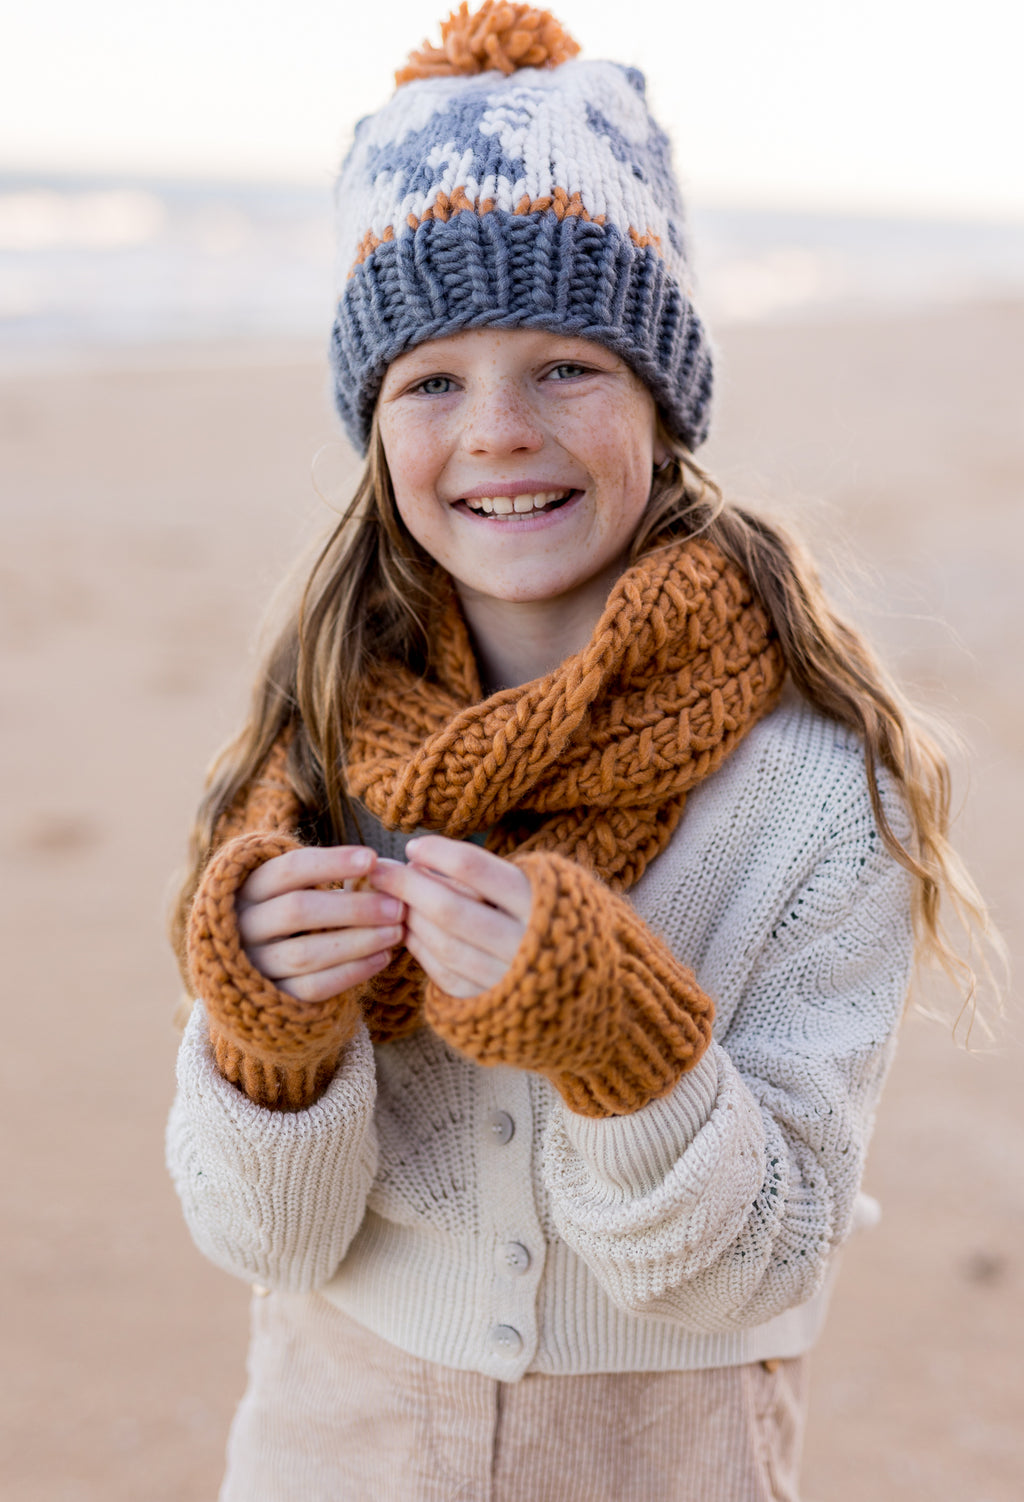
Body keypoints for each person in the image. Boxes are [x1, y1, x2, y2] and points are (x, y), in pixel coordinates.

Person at [166, 6, 991, 1499]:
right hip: (328, 1451)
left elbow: (765, 1255)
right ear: (372, 425)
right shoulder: (318, 756)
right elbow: (261, 1233)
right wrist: (266, 1047)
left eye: (566, 366)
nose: (497, 430)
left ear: (663, 400)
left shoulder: (816, 791)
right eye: (432, 380)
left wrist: (627, 1044)